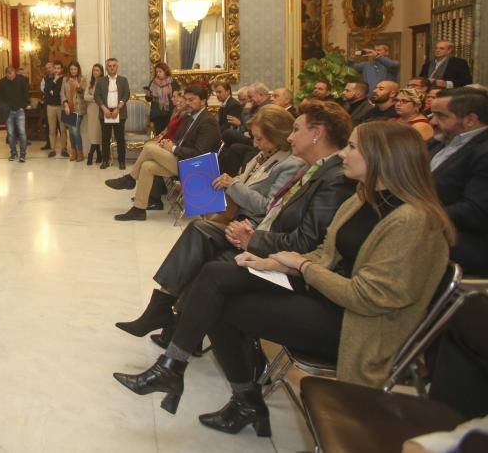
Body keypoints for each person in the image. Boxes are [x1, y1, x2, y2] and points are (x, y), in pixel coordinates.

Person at [114, 122, 452, 436]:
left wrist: (301, 267)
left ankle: (227, 393)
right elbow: (327, 253)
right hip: (327, 294)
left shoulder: (413, 221)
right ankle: (179, 369)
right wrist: (275, 262)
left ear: (383, 158)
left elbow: (367, 297)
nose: (344, 154)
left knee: (221, 299)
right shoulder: (364, 199)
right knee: (216, 276)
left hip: (357, 324)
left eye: (352, 148)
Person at [114, 99, 354, 339]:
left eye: (296, 130)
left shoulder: (309, 170)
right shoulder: (281, 161)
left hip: (266, 238)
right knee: (197, 232)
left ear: (316, 134)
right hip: (251, 225)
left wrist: (247, 222)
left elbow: (275, 211)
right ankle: (166, 315)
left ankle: (171, 326)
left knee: (205, 254)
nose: (290, 137)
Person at [106, 85, 221, 221]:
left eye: (192, 100)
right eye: (187, 99)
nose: (188, 103)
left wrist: (173, 148)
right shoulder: (190, 117)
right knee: (147, 166)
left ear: (203, 101)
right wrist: (166, 144)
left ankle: (130, 179)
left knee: (149, 147)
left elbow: (199, 153)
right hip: (180, 159)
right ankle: (139, 209)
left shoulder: (207, 121)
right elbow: (178, 139)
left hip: (194, 166)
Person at [428, 88, 488, 276]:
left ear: (470, 119)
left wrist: (419, 214)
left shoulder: (483, 152)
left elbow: (477, 210)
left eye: (441, 116)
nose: (432, 122)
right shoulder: (437, 143)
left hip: (460, 242)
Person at [94, 58, 130, 170]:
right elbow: (97, 96)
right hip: (105, 112)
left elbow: (126, 94)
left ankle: (122, 162)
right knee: (105, 138)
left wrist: (118, 109)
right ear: (106, 68)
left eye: (114, 65)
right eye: (109, 66)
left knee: (120, 139)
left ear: (117, 67)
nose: (112, 67)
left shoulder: (123, 80)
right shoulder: (101, 81)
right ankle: (105, 160)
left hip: (119, 112)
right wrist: (104, 109)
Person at [0, 66, 29, 162]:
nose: (10, 76)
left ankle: (23, 154)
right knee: (10, 134)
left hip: (20, 111)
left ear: (15, 73)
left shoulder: (21, 80)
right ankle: (13, 153)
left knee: (22, 132)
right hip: (8, 111)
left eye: (12, 74)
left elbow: (26, 93)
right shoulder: (2, 82)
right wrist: (3, 106)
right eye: (8, 74)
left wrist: (23, 105)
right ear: (6, 74)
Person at [61, 61, 86, 161]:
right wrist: (66, 104)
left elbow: (84, 94)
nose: (73, 71)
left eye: (75, 69)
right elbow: (62, 94)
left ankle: (80, 153)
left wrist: (78, 86)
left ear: (78, 69)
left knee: (75, 131)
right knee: (70, 132)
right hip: (68, 109)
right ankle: (74, 153)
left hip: (79, 109)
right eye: (71, 69)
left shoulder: (82, 79)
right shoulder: (65, 80)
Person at [146, 62, 179, 135]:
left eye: (160, 71)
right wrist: (148, 95)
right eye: (156, 72)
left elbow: (178, 97)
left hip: (170, 113)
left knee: (170, 134)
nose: (158, 73)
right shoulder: (153, 83)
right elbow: (149, 99)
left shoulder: (173, 82)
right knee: (159, 135)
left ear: (166, 71)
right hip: (157, 114)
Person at [42, 61, 66, 158]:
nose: (56, 70)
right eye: (55, 68)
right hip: (50, 106)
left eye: (58, 68)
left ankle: (64, 149)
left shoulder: (64, 79)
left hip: (61, 106)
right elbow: (46, 90)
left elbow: (60, 92)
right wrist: (54, 81)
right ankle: (52, 149)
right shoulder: (47, 78)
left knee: (63, 129)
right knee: (52, 129)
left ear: (61, 69)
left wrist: (52, 90)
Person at [82, 63, 104, 165]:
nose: (95, 72)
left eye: (97, 70)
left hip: (100, 110)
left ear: (101, 72)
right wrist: (94, 97)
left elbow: (102, 97)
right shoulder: (90, 83)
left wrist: (93, 97)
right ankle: (99, 154)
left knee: (97, 132)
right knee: (92, 132)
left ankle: (91, 154)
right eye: (94, 70)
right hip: (91, 110)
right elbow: (85, 97)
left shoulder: (104, 82)